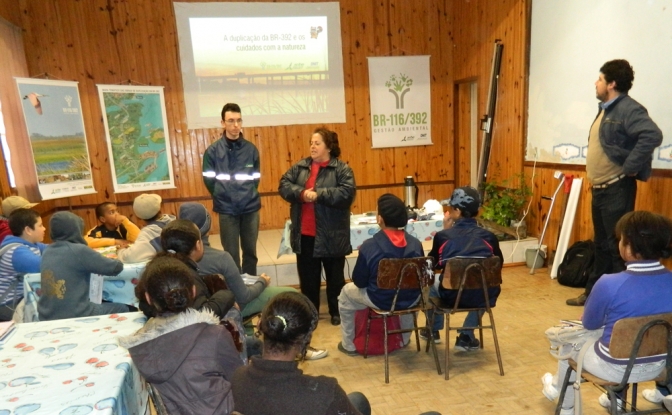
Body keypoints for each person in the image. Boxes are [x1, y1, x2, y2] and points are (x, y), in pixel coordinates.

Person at [542, 211, 672, 414]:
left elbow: (590, 324)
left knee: (572, 343)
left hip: (615, 367)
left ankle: (564, 402)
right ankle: (619, 399)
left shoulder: (609, 283)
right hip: (659, 365)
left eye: (621, 239)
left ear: (628, 248)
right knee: (627, 337)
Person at [566, 59, 663, 307]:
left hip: (616, 189)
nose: (596, 83)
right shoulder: (606, 109)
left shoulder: (628, 109)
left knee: (618, 246)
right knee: (601, 245)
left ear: (611, 83)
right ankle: (594, 296)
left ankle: (623, 299)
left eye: (599, 79)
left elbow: (652, 134)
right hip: (600, 189)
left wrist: (631, 167)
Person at [119, 256, 242, 415]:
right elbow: (238, 381)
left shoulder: (139, 347)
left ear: (148, 298)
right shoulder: (214, 335)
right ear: (193, 290)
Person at [232, 291, 370, 415]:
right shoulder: (325, 392)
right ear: (305, 340)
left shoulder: (237, 378)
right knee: (359, 401)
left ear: (259, 324)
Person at [278, 127, 356, 327]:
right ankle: (310, 314)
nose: (312, 146)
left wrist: (319, 194)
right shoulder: (301, 167)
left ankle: (336, 312)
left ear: (328, 147)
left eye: (317, 143)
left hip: (332, 235)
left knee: (335, 279)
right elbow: (284, 185)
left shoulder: (342, 169)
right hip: (305, 234)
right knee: (308, 281)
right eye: (311, 143)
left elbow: (346, 194)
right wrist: (303, 194)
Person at [336, 193, 422, 355]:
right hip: (411, 298)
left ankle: (349, 345)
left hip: (381, 300)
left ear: (380, 219)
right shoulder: (416, 244)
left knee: (346, 293)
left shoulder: (369, 246)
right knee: (413, 295)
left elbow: (360, 282)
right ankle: (404, 338)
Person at [178, 202, 297, 317]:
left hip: (190, 312)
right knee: (292, 293)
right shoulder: (221, 258)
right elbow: (244, 297)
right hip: (229, 308)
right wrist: (262, 282)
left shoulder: (169, 256)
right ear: (208, 225)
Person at [424, 186, 503, 350]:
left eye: (451, 208)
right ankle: (466, 335)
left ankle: (433, 330)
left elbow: (431, 266)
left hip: (452, 295)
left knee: (430, 284)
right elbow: (497, 266)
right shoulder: (489, 237)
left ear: (457, 212)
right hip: (484, 296)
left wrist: (446, 231)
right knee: (485, 285)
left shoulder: (443, 237)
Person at [38, 211, 132, 321]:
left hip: (46, 315)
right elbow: (115, 268)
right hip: (77, 313)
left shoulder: (47, 250)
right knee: (125, 308)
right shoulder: (79, 250)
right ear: (76, 230)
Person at [135, 219, 235, 320]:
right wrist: (226, 295)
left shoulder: (154, 268)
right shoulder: (186, 276)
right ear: (198, 245)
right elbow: (201, 314)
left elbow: (143, 305)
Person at [202, 102, 261, 276]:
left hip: (250, 208)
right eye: (230, 121)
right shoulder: (212, 151)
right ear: (222, 123)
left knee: (250, 252)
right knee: (231, 254)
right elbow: (208, 180)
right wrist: (221, 195)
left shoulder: (251, 149)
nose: (235, 125)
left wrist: (248, 194)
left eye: (238, 120)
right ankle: (237, 290)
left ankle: (252, 284)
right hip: (227, 209)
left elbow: (255, 179)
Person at [0, 209, 47, 321]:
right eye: (40, 225)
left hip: (22, 299)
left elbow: (54, 250)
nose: (44, 228)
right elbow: (47, 266)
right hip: (9, 305)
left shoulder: (31, 244)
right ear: (28, 230)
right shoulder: (17, 252)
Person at [117, 193, 175, 264]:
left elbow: (131, 257)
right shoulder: (172, 220)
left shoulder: (149, 233)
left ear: (138, 217)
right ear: (160, 209)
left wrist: (121, 251)